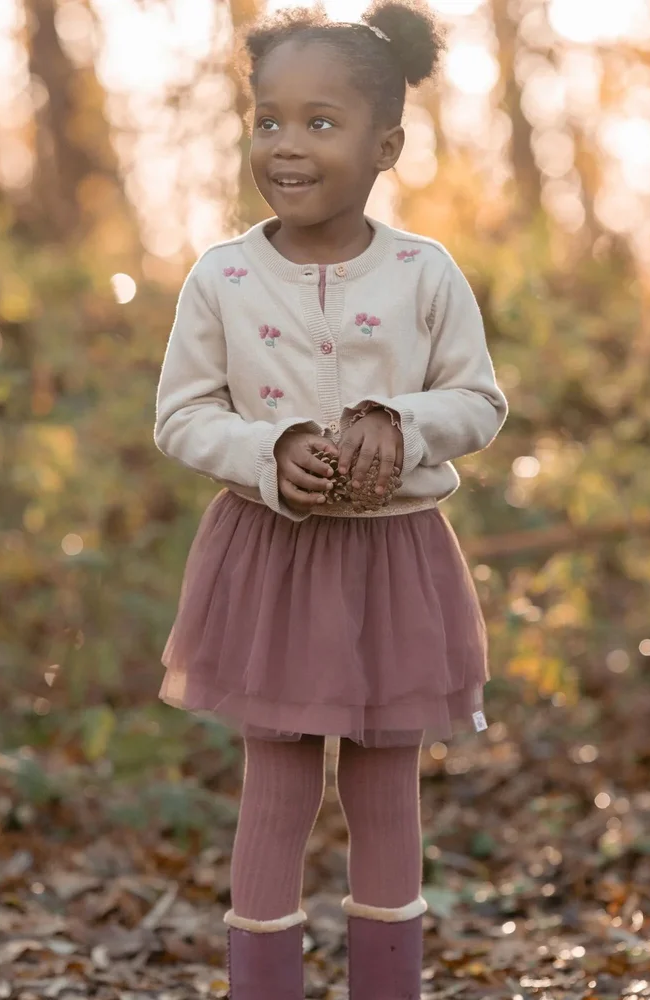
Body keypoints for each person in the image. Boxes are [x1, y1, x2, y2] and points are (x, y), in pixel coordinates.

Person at [153, 2, 508, 996]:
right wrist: (269, 448)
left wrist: (401, 421)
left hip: (396, 560)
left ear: (385, 145)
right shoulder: (223, 277)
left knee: (385, 785)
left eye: (320, 122)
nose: (286, 144)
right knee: (277, 783)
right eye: (268, 120)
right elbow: (181, 416)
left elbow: (479, 401)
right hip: (270, 556)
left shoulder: (423, 273)